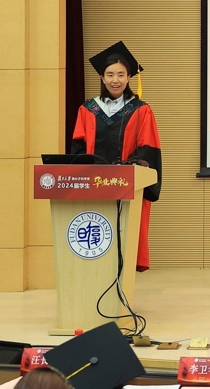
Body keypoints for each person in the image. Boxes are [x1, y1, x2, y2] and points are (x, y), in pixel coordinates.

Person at [70, 41, 162, 271]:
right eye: (110, 74)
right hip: (94, 188)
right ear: (102, 78)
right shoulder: (87, 109)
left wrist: (127, 168)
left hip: (126, 187)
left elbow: (148, 149)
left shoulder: (141, 110)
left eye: (121, 74)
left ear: (129, 77)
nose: (115, 80)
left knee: (124, 239)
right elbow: (78, 150)